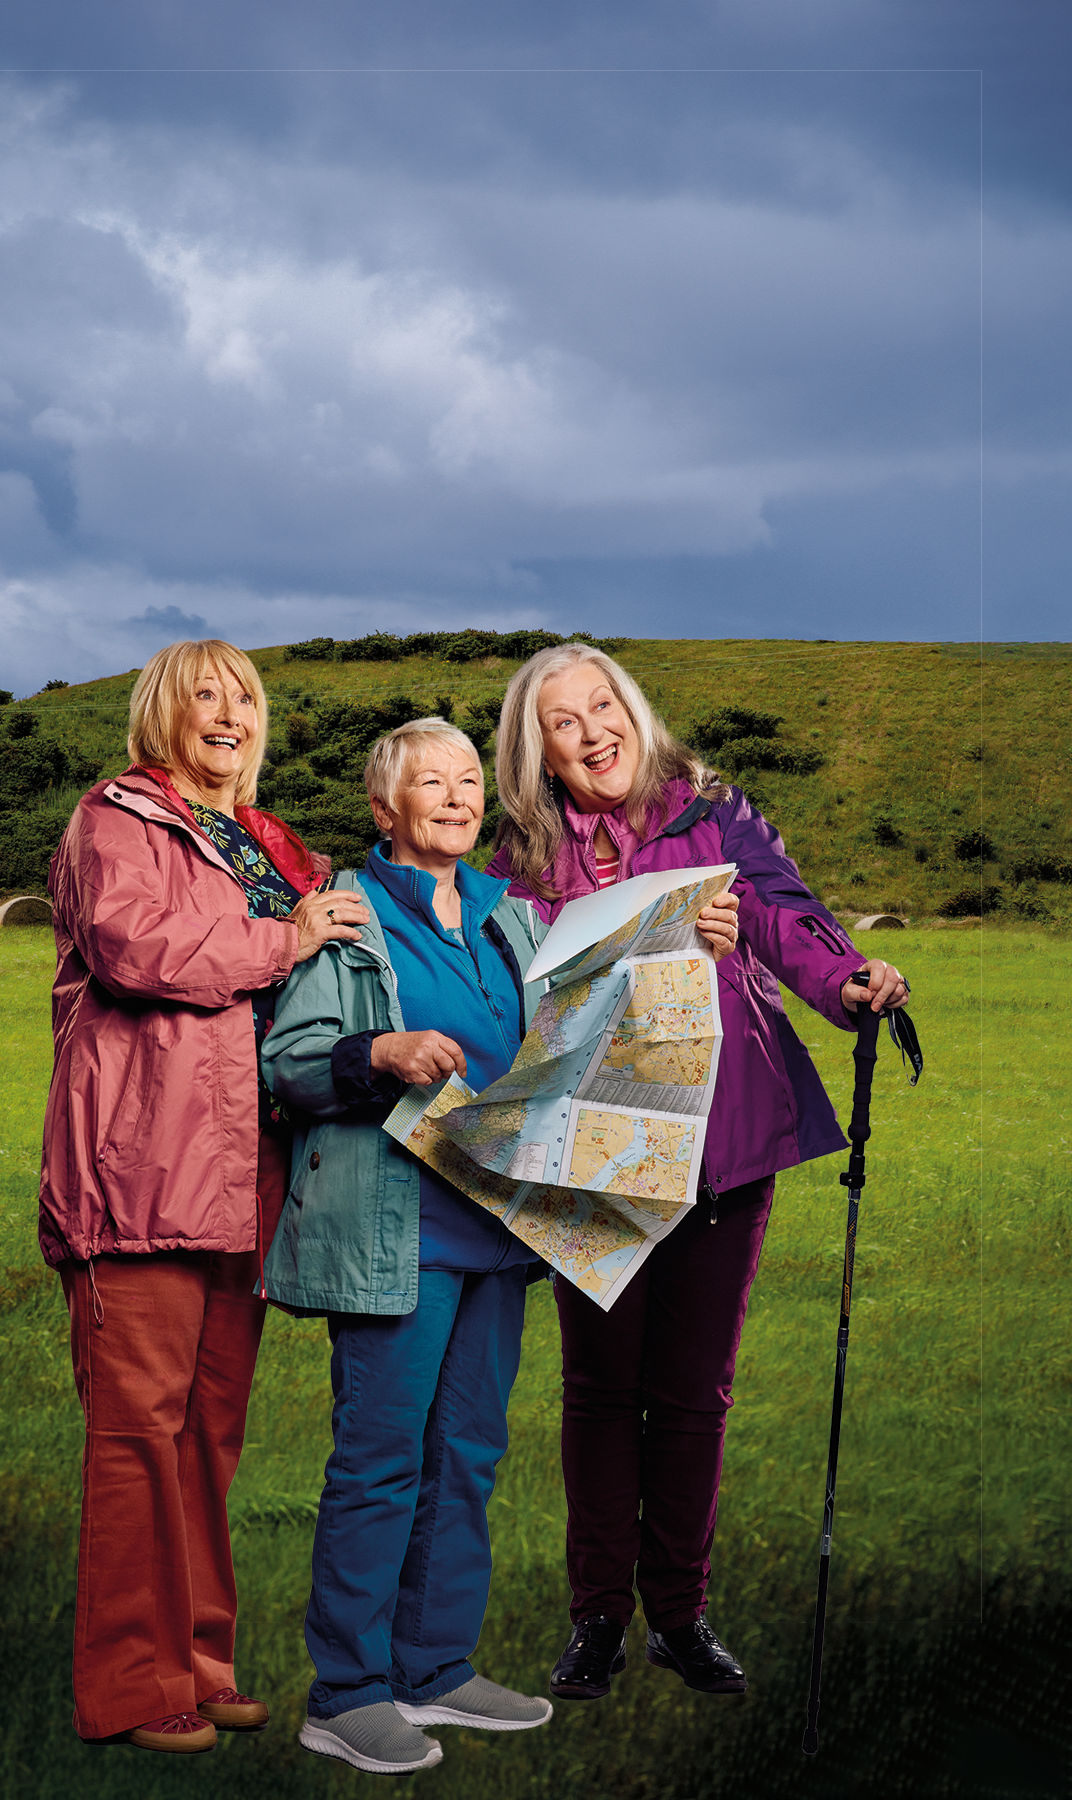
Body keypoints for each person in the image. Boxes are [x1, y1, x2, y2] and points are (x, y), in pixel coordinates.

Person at [486, 643, 910, 1702]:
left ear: (632, 709)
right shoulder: (522, 855)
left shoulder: (715, 815)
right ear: (536, 752)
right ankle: (597, 1620)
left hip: (724, 1136)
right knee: (598, 1390)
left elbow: (785, 914)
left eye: (601, 706)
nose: (592, 732)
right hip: (596, 1152)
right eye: (562, 723)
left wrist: (849, 976)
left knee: (691, 1396)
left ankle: (679, 1616)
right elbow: (515, 989)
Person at [39, 639, 370, 1753]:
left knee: (207, 1435)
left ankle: (199, 1657)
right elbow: (141, 950)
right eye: (204, 697)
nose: (227, 714)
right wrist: (287, 937)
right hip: (140, 1169)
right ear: (161, 715)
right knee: (138, 1432)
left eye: (245, 698)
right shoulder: (117, 821)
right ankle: (131, 1687)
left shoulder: (277, 845)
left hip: (250, 1175)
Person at [261, 718, 554, 1777]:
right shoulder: (350, 915)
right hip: (400, 1230)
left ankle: (435, 1668)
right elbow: (288, 1062)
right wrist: (376, 1051)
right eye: (428, 781)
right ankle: (346, 1694)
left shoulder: (509, 917)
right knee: (381, 1461)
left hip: (502, 1229)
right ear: (384, 809)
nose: (455, 794)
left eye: (468, 778)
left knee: (468, 1456)